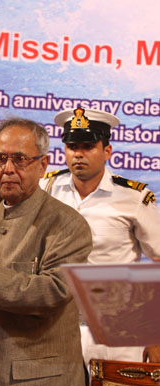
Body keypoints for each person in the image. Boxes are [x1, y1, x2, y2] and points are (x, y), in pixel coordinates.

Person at [0, 118, 92, 386]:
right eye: (0, 159)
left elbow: (52, 293)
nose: (8, 169)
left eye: (20, 159)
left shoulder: (68, 224)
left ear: (43, 165)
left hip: (36, 382)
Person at [40, 107, 160, 365]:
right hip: (55, 326)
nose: (78, 154)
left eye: (88, 146)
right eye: (72, 146)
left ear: (107, 151)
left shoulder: (134, 198)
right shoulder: (45, 190)